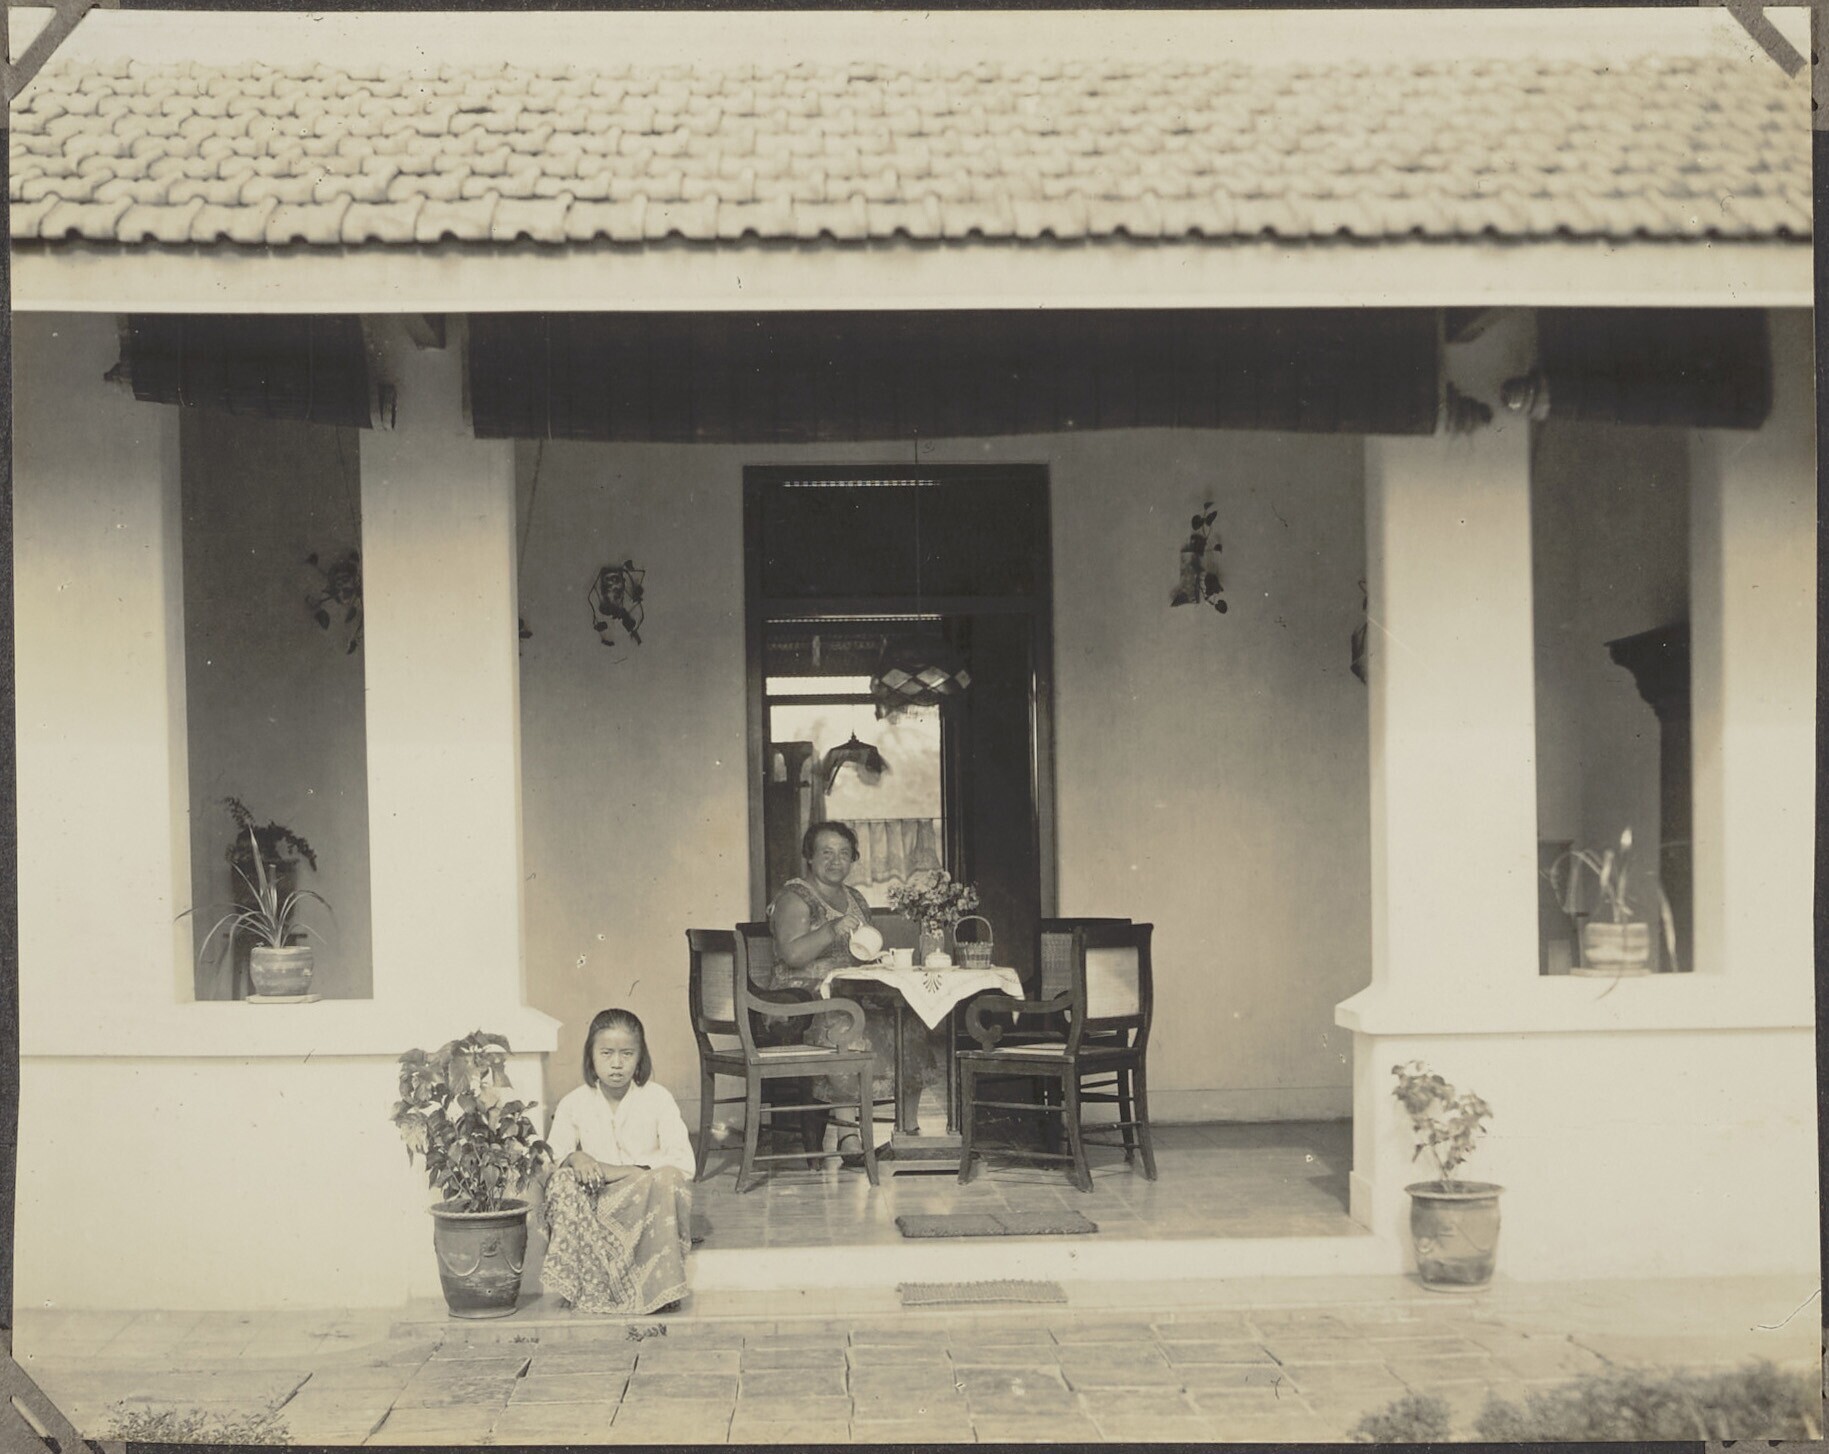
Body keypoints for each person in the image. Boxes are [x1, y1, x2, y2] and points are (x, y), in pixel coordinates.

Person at [541, 1008, 694, 1315]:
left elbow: (683, 1163)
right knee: (562, 1180)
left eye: (627, 1054)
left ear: (640, 1058)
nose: (616, 1063)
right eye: (606, 1053)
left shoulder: (658, 1098)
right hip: (596, 1207)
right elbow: (549, 1161)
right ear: (591, 1057)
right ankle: (591, 1288)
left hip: (645, 1201)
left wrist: (626, 1172)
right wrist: (575, 1157)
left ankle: (656, 1289)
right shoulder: (574, 1102)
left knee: (669, 1179)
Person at [766, 820, 899, 1157]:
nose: (835, 860)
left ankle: (907, 1132)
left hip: (846, 993)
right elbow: (792, 955)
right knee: (846, 1021)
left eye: (843, 853)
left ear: (853, 858)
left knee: (905, 1019)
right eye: (826, 852)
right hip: (798, 1001)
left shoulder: (856, 898)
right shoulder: (795, 897)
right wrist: (831, 929)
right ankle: (849, 1138)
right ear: (809, 857)